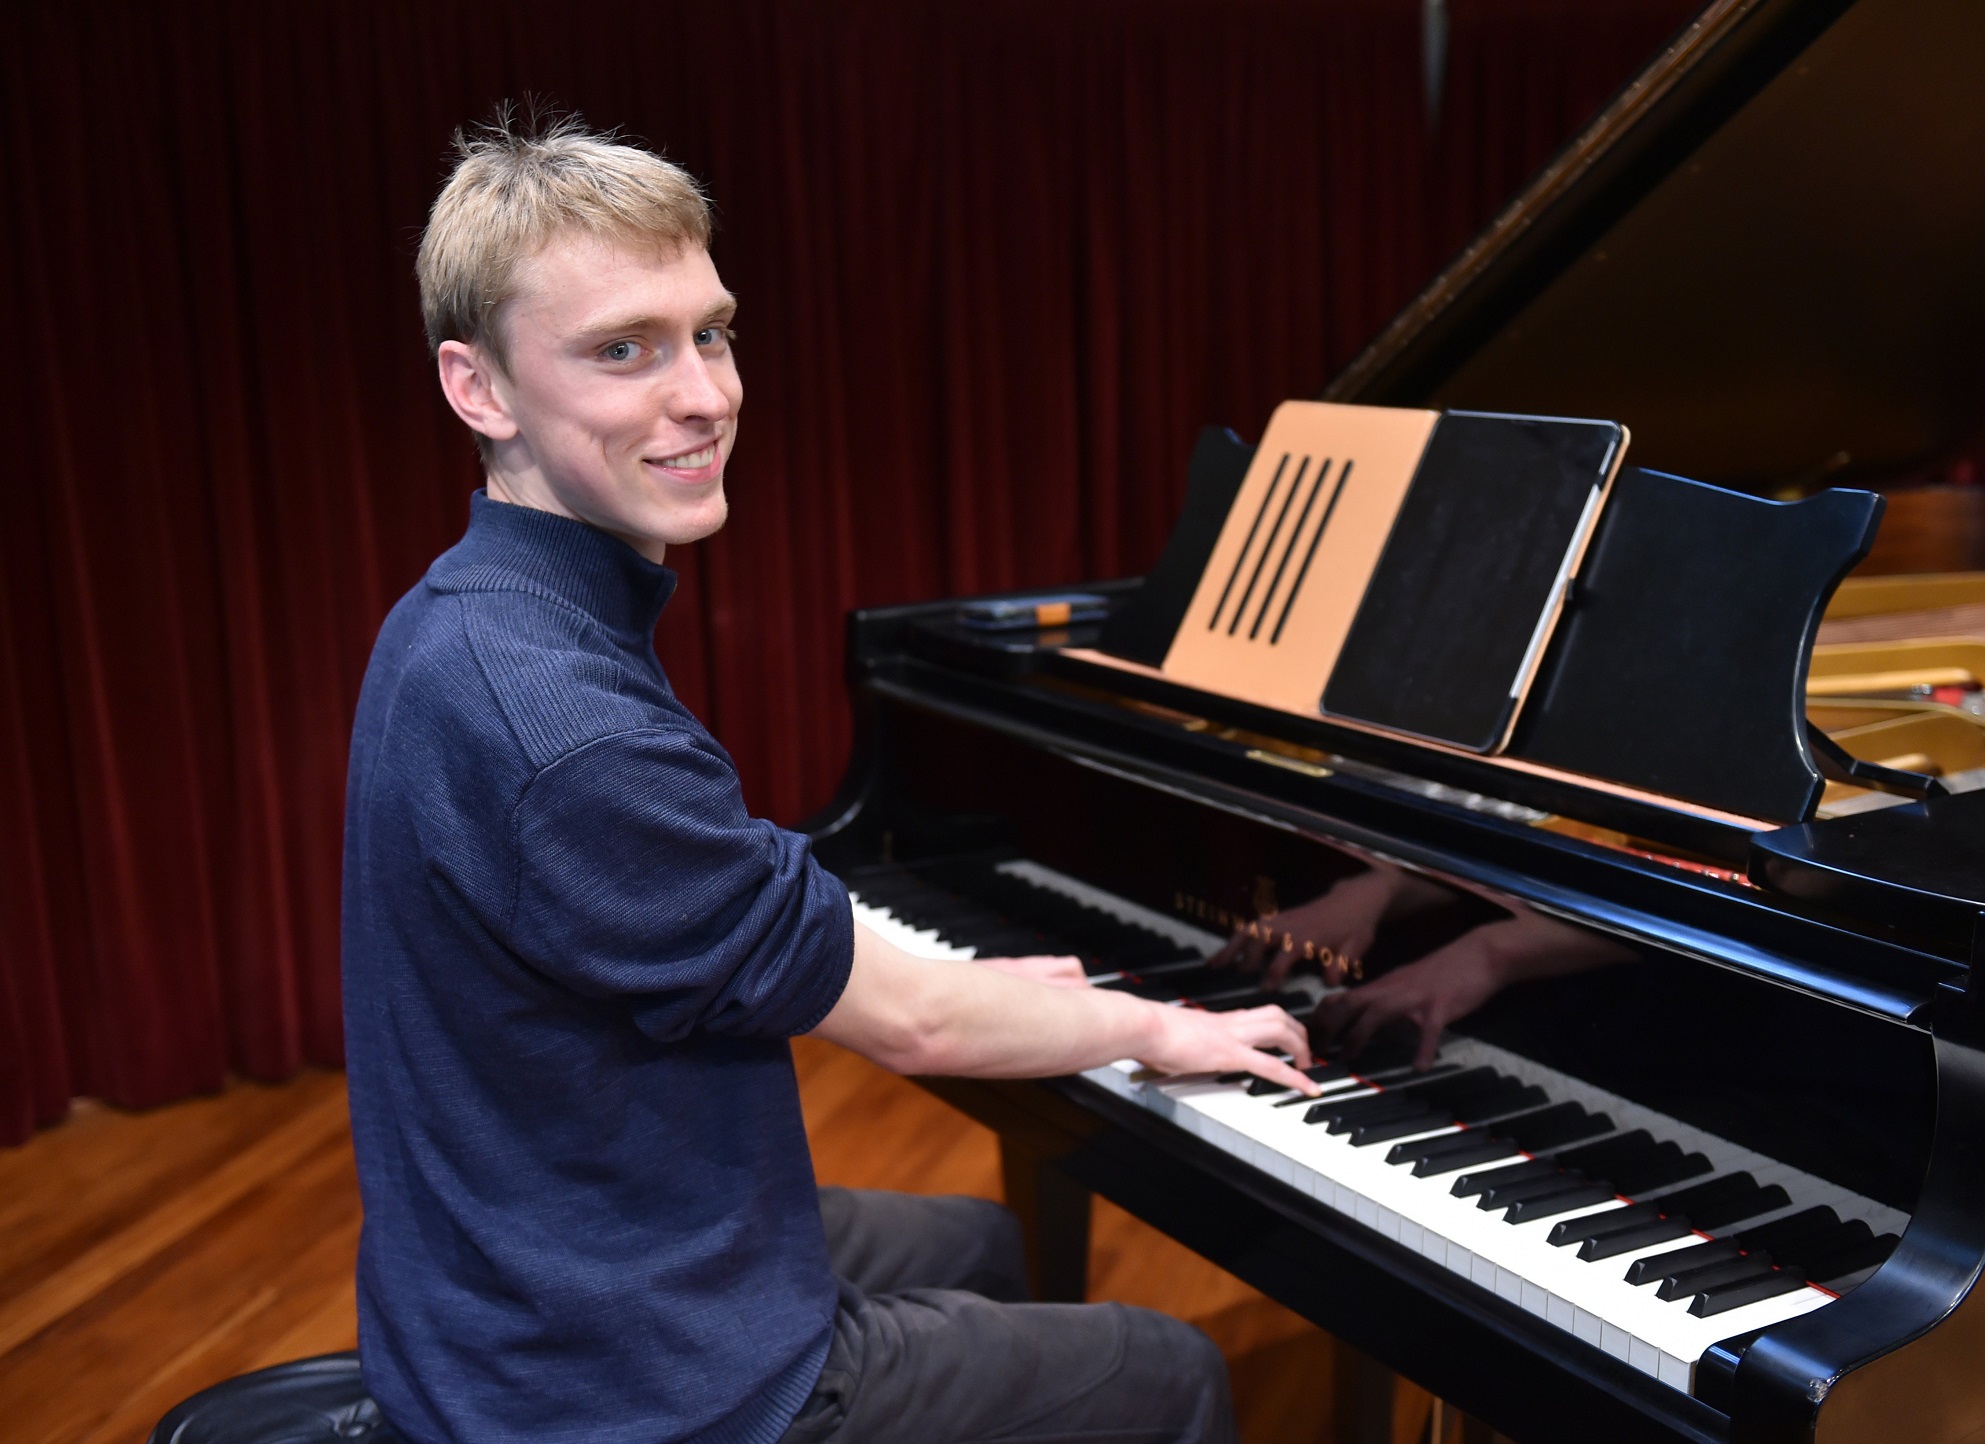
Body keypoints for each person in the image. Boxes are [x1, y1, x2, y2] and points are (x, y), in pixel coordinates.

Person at [341, 116, 1318, 1444]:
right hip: (600, 1376)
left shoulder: (465, 615)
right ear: (482, 389)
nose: (703, 393)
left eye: (712, 331)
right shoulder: (560, 719)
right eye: (622, 350)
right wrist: (1161, 1028)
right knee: (1171, 1371)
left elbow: (695, 907)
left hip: (509, 1260)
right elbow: (907, 1028)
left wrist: (964, 979)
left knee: (977, 1243)